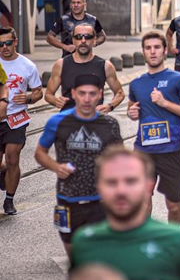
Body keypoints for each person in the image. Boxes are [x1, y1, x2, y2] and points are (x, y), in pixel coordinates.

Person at [71, 147, 180, 280]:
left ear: (148, 185)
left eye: (131, 181)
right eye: (111, 182)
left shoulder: (178, 239)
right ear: (98, 188)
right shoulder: (84, 242)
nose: (121, 191)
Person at [35, 74, 121, 251]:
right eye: (82, 93)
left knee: (100, 256)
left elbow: (120, 159)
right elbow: (40, 153)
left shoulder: (109, 124)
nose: (87, 99)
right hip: (68, 198)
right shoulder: (58, 122)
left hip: (101, 200)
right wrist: (56, 167)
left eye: (92, 94)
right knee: (73, 253)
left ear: (99, 94)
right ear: (73, 94)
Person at [126, 32, 180, 224]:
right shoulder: (136, 83)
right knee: (142, 201)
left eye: (157, 47)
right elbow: (132, 109)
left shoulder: (178, 80)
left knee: (174, 205)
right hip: (143, 152)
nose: (153, 52)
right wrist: (131, 113)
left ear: (165, 50)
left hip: (170, 151)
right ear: (143, 52)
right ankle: (143, 244)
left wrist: (165, 103)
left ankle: (174, 242)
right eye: (148, 48)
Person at [0, 26, 43, 215]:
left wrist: (27, 98)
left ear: (15, 42)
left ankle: (9, 200)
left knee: (12, 157)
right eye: (0, 44)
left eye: (8, 43)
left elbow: (38, 92)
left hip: (16, 119)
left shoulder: (27, 66)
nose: (4, 47)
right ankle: (3, 174)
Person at [45, 24, 125, 113]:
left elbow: (120, 93)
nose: (83, 41)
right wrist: (55, 101)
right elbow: (48, 94)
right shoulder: (61, 64)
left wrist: (109, 106)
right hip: (69, 123)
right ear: (73, 40)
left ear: (94, 40)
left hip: (94, 123)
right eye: (78, 37)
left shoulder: (105, 66)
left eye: (87, 37)